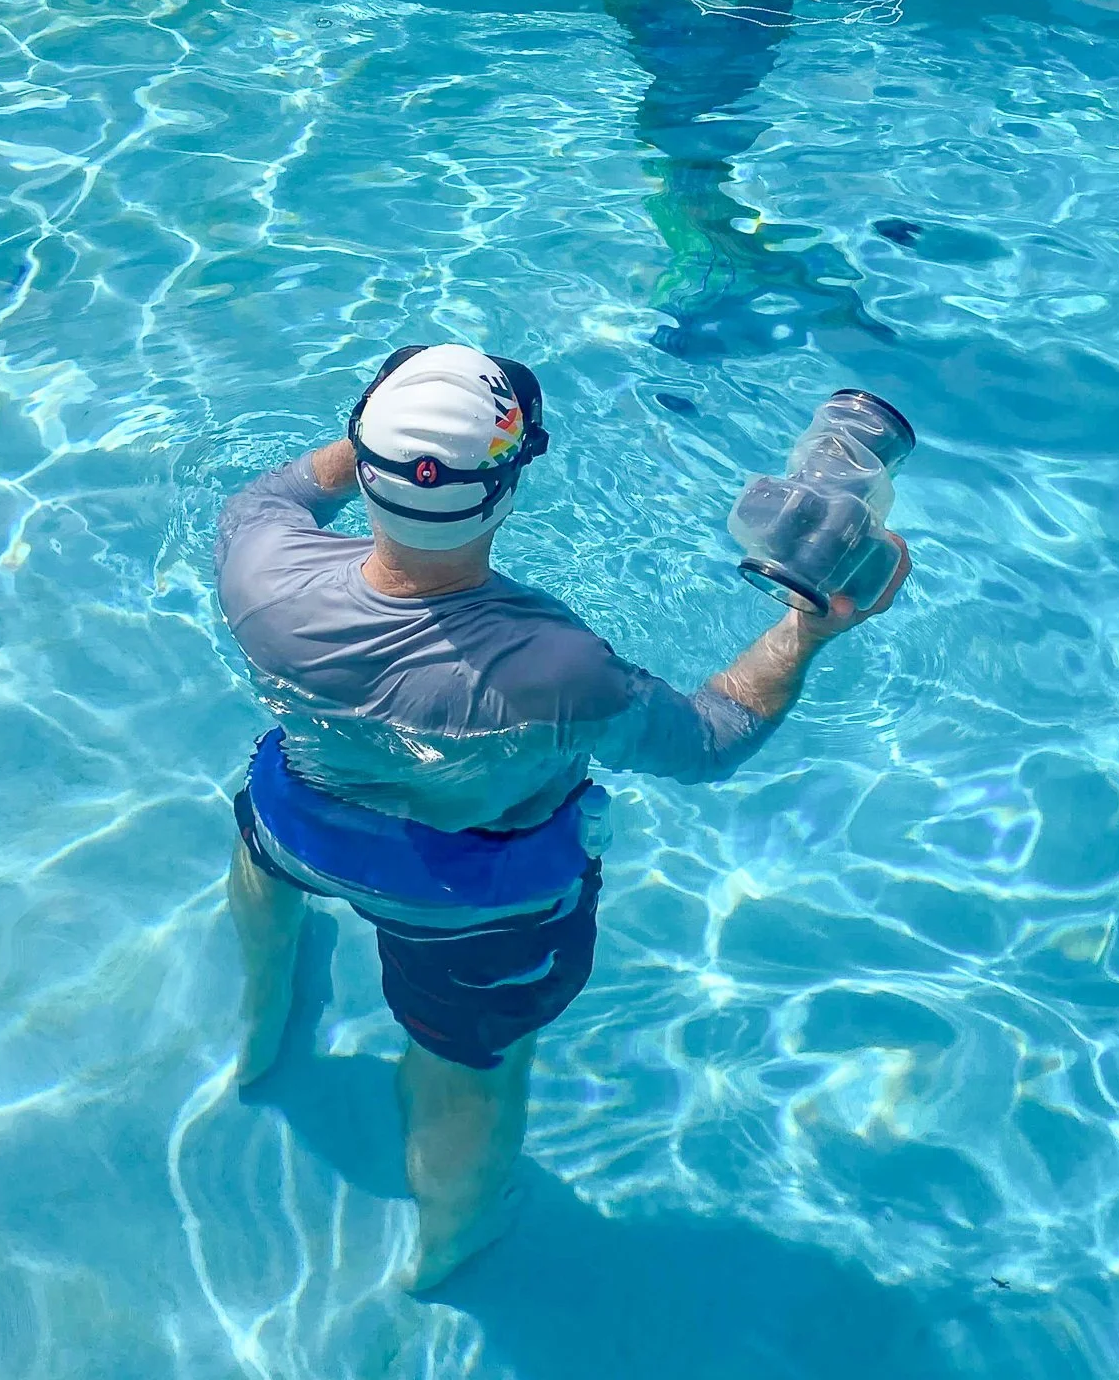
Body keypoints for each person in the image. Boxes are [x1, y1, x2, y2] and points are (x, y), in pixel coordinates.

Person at [214, 342, 910, 1290]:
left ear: (363, 456)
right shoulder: (555, 669)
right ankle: (447, 1241)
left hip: (299, 825)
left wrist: (387, 435)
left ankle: (259, 1031)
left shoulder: (258, 558)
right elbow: (712, 740)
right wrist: (808, 628)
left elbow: (293, 489)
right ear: (506, 490)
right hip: (467, 906)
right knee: (468, 1070)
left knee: (267, 854)